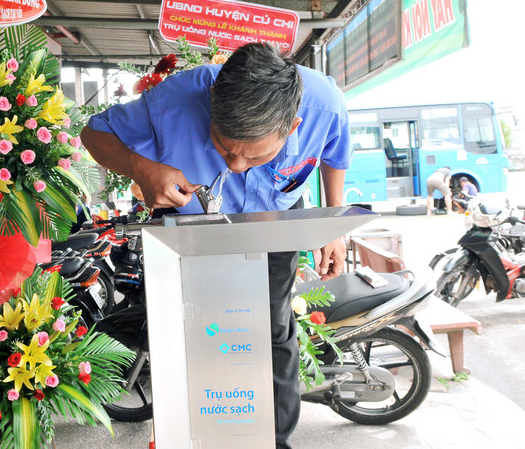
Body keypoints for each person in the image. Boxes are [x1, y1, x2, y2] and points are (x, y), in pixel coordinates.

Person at [80, 42, 352, 449]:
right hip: (193, 231)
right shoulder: (174, 98)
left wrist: (334, 222)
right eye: (224, 148)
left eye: (254, 156)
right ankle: (198, 435)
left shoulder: (325, 106)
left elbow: (334, 154)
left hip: (272, 222)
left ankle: (274, 440)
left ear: (292, 128)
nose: (235, 166)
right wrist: (143, 167)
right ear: (211, 104)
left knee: (273, 327)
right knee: (189, 331)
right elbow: (93, 132)